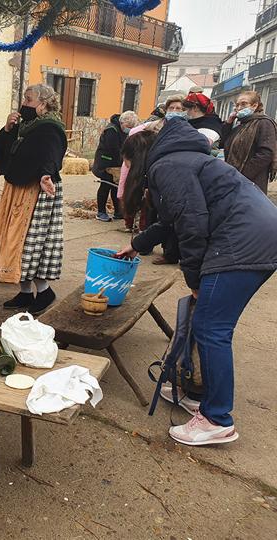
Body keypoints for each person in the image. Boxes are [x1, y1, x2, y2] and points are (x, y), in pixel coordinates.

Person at [116, 117, 277, 446]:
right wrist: (137, 244)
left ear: (138, 156)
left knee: (211, 327)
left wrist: (194, 281)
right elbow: (172, 219)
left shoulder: (167, 166)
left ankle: (217, 419)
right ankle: (198, 396)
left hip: (241, 239)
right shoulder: (181, 157)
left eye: (127, 163)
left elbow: (191, 224)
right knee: (209, 324)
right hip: (257, 232)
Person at [0, 84, 67, 314]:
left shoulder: (50, 128)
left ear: (43, 104)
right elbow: (1, 151)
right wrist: (7, 128)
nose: (24, 103)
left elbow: (53, 155)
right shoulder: (25, 126)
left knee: (29, 243)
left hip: (37, 190)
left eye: (29, 99)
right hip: (17, 188)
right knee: (13, 240)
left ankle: (44, 291)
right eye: (24, 97)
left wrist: (46, 175)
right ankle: (24, 293)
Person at [118, 96, 185, 234]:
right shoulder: (149, 130)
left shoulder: (163, 170)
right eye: (171, 108)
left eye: (178, 108)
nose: (174, 111)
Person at [222, 90, 277, 194]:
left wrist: (242, 176)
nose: (239, 108)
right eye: (237, 105)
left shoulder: (264, 123)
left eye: (243, 104)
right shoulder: (241, 124)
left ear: (254, 105)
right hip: (234, 179)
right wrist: (229, 122)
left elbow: (265, 154)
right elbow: (223, 143)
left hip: (251, 182)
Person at [92, 110, 138, 222]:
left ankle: (118, 211)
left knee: (115, 187)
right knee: (105, 186)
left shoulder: (122, 130)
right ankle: (101, 212)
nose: (129, 129)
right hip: (106, 164)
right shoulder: (111, 130)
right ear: (122, 123)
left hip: (116, 164)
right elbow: (114, 149)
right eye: (128, 126)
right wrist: (125, 158)